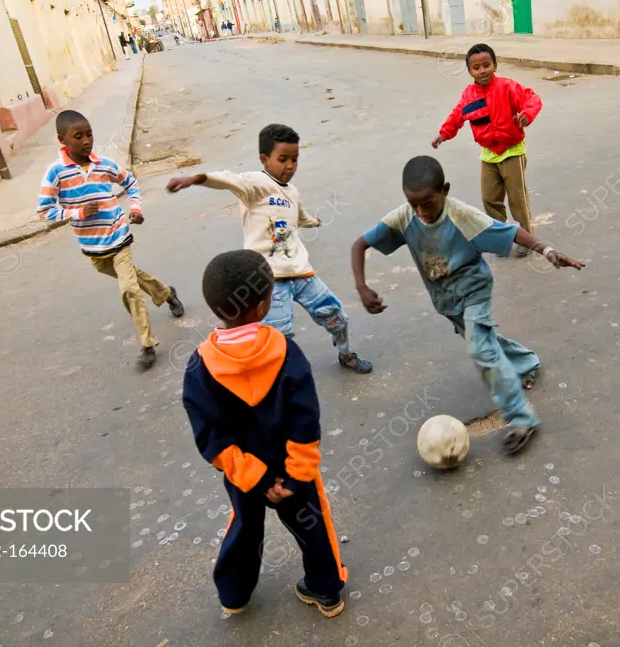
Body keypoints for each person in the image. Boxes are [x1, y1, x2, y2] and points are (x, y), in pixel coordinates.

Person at [350, 156, 583, 453]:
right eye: (413, 203)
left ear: (444, 190)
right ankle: (526, 362)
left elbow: (509, 232)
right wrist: (361, 286)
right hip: (445, 300)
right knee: (484, 339)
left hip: (474, 291)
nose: (421, 211)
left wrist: (547, 250)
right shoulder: (404, 217)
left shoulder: (461, 216)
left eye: (428, 202)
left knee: (480, 348)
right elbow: (360, 244)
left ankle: (522, 417)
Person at [183, 249, 348, 617]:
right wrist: (296, 474)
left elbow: (209, 438)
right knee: (313, 526)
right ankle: (326, 592)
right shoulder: (286, 351)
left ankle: (234, 595)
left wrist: (255, 478)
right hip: (293, 471)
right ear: (262, 306)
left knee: (244, 527)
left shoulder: (200, 366)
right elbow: (306, 419)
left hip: (244, 476)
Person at [166, 124, 372, 374]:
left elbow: (300, 216)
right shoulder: (255, 185)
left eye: (295, 159)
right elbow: (226, 179)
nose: (290, 166)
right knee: (279, 336)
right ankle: (280, 381)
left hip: (302, 273)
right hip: (270, 280)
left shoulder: (293, 192)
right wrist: (194, 179)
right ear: (264, 159)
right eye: (283, 159)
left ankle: (346, 354)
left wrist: (314, 222)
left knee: (336, 316)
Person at [37, 110, 185, 369]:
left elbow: (130, 183)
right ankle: (166, 293)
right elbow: (44, 210)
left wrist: (136, 208)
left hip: (118, 237)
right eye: (78, 136)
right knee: (134, 278)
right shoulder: (55, 173)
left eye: (89, 133)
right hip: (92, 248)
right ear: (63, 140)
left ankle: (147, 344)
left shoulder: (104, 165)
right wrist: (77, 212)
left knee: (129, 289)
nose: (86, 141)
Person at [433, 43, 542, 257]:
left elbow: (532, 99)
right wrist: (444, 134)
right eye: (476, 67)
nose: (482, 70)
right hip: (489, 153)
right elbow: (457, 116)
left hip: (512, 150)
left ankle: (527, 238)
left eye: (486, 65)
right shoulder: (468, 96)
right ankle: (502, 236)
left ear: (495, 65)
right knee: (489, 198)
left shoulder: (507, 87)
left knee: (517, 199)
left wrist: (526, 115)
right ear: (470, 71)